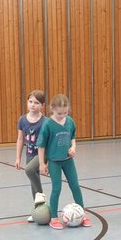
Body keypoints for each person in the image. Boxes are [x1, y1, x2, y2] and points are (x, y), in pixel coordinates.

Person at [37, 94, 91, 230]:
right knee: (57, 188)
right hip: (54, 161)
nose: (62, 115)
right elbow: (41, 145)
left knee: (75, 186)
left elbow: (73, 137)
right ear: (52, 109)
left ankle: (82, 214)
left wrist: (73, 147)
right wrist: (42, 164)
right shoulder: (48, 124)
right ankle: (54, 218)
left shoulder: (70, 122)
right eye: (59, 113)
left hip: (68, 161)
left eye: (65, 112)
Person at [15, 90, 47, 222]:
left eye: (37, 102)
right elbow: (20, 139)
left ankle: (42, 201)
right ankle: (38, 210)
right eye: (31, 101)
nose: (33, 105)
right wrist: (18, 158)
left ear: (42, 105)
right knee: (33, 183)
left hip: (42, 154)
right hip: (29, 154)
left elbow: (47, 142)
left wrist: (44, 163)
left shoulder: (45, 121)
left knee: (29, 170)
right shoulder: (22, 120)